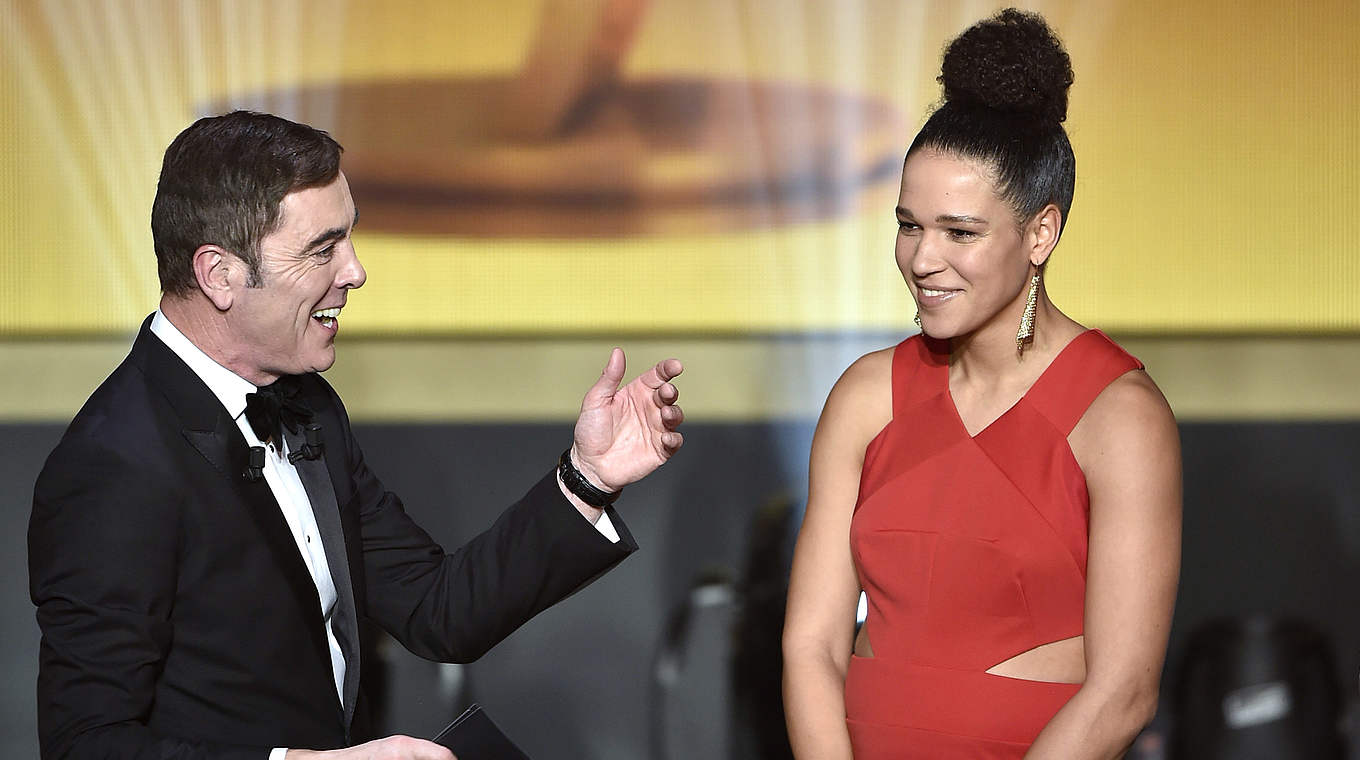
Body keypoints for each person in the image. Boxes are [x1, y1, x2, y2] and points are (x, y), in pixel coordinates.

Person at [28, 111, 685, 760]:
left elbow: (436, 609)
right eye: (323, 249)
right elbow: (86, 743)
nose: (355, 271)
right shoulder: (113, 465)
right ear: (219, 274)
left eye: (350, 239)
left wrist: (586, 478)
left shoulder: (309, 406)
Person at [781, 9, 1181, 758]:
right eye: (909, 225)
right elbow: (811, 645)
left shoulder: (1118, 415)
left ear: (1040, 233)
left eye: (959, 232)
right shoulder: (866, 396)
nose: (921, 259)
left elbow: (1124, 691)